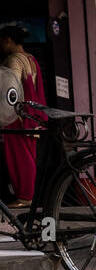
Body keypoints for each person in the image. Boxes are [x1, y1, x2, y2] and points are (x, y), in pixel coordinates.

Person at [0, 24, 45, 204]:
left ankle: (24, 197)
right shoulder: (31, 59)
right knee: (28, 157)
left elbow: (11, 89)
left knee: (19, 158)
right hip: (31, 115)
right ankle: (27, 196)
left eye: (1, 41)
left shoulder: (14, 60)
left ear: (8, 40)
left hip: (16, 117)